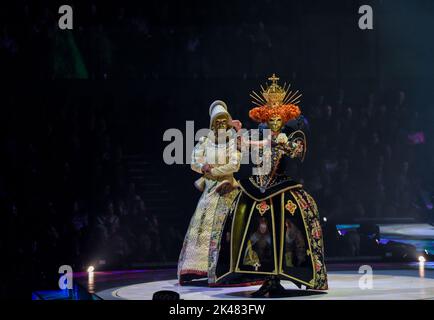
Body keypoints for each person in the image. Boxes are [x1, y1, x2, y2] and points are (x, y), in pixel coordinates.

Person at [213, 74, 328, 295]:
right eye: (270, 118)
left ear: (284, 118)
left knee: (291, 223)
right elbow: (246, 146)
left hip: (281, 187)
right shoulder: (260, 135)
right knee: (248, 222)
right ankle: (261, 273)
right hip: (258, 187)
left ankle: (284, 273)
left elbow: (298, 151)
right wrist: (238, 133)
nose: (274, 121)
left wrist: (283, 144)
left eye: (278, 118)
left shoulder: (291, 135)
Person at [177, 100, 242, 285]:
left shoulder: (232, 140)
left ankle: (224, 267)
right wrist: (202, 166)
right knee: (200, 225)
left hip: (227, 187)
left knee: (226, 227)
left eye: (223, 120)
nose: (221, 124)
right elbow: (193, 162)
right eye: (217, 121)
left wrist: (213, 171)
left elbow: (234, 165)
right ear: (213, 123)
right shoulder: (205, 141)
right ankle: (197, 268)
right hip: (209, 190)